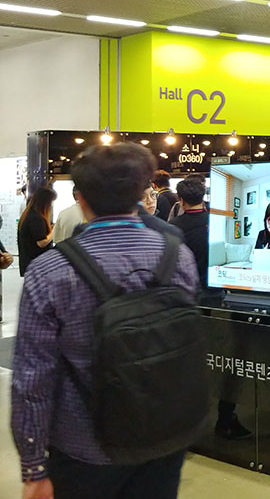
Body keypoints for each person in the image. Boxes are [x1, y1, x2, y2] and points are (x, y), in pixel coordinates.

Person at [11, 143, 200, 499]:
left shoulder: (51, 271)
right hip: (165, 435)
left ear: (80, 198)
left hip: (85, 447)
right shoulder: (179, 256)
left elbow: (33, 379)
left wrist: (33, 466)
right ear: (141, 193)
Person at [169, 176, 209, 289]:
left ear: (181, 200)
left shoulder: (173, 225)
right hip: (212, 283)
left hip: (186, 284)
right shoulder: (214, 220)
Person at [17, 185, 57, 276]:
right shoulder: (36, 218)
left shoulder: (28, 214)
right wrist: (53, 232)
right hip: (36, 265)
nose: (51, 206)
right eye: (50, 202)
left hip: (29, 263)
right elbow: (42, 242)